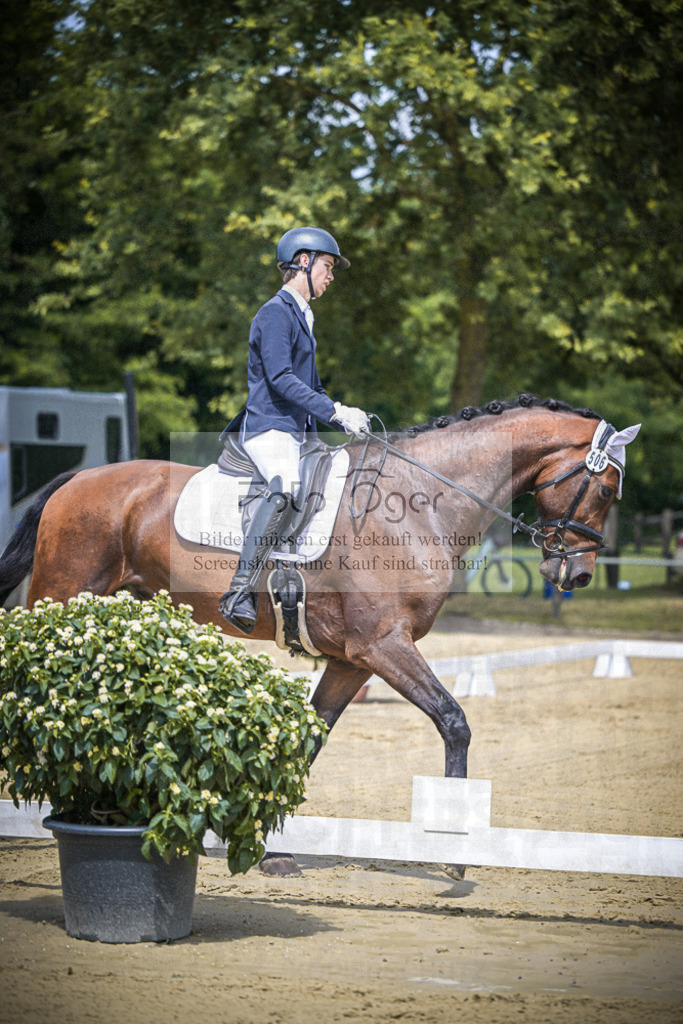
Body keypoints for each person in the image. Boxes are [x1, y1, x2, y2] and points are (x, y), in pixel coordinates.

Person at [219, 226, 370, 632]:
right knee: (286, 486)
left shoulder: (303, 316)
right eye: (327, 266)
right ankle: (239, 590)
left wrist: (345, 414)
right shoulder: (274, 313)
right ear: (303, 261)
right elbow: (281, 378)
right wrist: (333, 411)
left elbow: (312, 386)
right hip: (269, 426)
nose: (331, 276)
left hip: (299, 432)